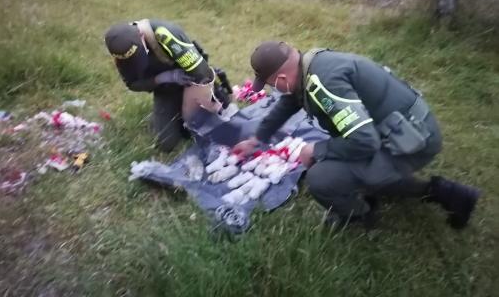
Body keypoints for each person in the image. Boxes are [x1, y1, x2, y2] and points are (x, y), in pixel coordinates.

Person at [233, 41, 480, 228]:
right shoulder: (309, 66)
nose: (273, 90)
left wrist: (316, 150)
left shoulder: (323, 84)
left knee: (320, 178)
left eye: (271, 84)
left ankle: (361, 214)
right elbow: (288, 103)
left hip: (413, 139)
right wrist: (257, 139)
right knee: (341, 161)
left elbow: (364, 141)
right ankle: (386, 184)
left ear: (282, 78)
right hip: (400, 128)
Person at [105, 18, 224, 152]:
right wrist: (163, 78)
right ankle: (172, 114)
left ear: (141, 36)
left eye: (138, 54)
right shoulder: (121, 52)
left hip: (193, 81)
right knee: (167, 143)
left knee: (205, 124)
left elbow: (202, 73)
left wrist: (192, 108)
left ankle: (189, 112)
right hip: (166, 89)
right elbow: (132, 84)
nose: (135, 61)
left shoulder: (165, 34)